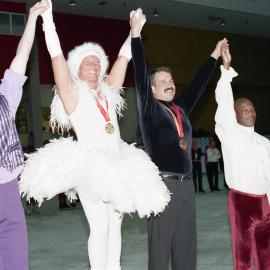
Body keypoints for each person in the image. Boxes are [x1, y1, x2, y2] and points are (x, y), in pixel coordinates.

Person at [20, 2, 170, 270]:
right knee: (100, 227)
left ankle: (114, 266)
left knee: (116, 224)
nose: (93, 65)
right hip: (91, 166)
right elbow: (55, 57)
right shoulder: (72, 94)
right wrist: (49, 22)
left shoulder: (110, 91)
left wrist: (134, 30)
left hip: (118, 161)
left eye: (97, 62)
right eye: (86, 62)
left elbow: (123, 58)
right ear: (76, 68)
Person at [130, 9, 228, 270]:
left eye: (171, 80)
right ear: (152, 89)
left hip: (187, 186)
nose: (169, 83)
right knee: (160, 253)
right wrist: (136, 36)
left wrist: (214, 56)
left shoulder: (180, 108)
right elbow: (140, 74)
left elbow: (196, 85)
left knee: (186, 250)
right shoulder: (150, 109)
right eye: (163, 81)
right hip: (162, 185)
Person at [0, 2, 48, 270]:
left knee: (16, 259)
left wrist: (31, 19)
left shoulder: (5, 95)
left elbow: (21, 54)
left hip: (7, 188)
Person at [215, 45, 270, 269]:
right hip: (242, 203)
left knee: (266, 257)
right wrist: (226, 70)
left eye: (253, 109)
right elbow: (224, 102)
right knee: (244, 258)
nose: (251, 112)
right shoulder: (230, 134)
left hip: (265, 203)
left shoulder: (264, 142)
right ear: (235, 114)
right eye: (245, 109)